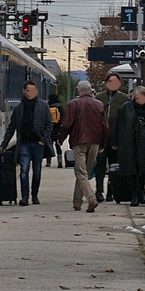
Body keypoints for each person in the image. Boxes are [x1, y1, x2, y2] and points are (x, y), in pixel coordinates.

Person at [0, 80, 54, 206]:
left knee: (37, 172)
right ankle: (25, 197)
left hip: (38, 144)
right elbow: (11, 127)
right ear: (24, 91)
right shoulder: (19, 108)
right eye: (28, 90)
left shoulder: (43, 106)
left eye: (33, 90)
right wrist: (4, 144)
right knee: (24, 171)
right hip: (24, 143)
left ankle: (34, 195)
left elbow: (49, 124)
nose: (31, 93)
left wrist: (43, 140)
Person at [57, 79, 109, 212]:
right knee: (84, 173)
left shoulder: (73, 104)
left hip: (79, 141)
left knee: (81, 173)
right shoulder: (99, 104)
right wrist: (102, 143)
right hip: (95, 142)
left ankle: (91, 199)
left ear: (78, 90)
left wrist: (61, 139)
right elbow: (105, 126)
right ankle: (77, 202)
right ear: (91, 90)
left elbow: (67, 124)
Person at [112, 86, 145, 205]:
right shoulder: (126, 107)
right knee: (129, 169)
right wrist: (115, 142)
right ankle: (133, 194)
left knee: (142, 169)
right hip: (128, 143)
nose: (139, 100)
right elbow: (117, 124)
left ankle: (141, 191)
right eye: (137, 97)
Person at [94, 72, 130, 202]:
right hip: (101, 139)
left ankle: (112, 191)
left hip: (117, 139)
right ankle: (99, 191)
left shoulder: (125, 99)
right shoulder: (98, 98)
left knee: (114, 166)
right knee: (100, 166)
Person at [46, 93, 64, 166]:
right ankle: (59, 162)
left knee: (49, 146)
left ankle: (48, 162)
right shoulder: (60, 106)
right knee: (58, 146)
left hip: (49, 129)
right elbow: (64, 117)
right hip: (58, 129)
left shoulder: (47, 106)